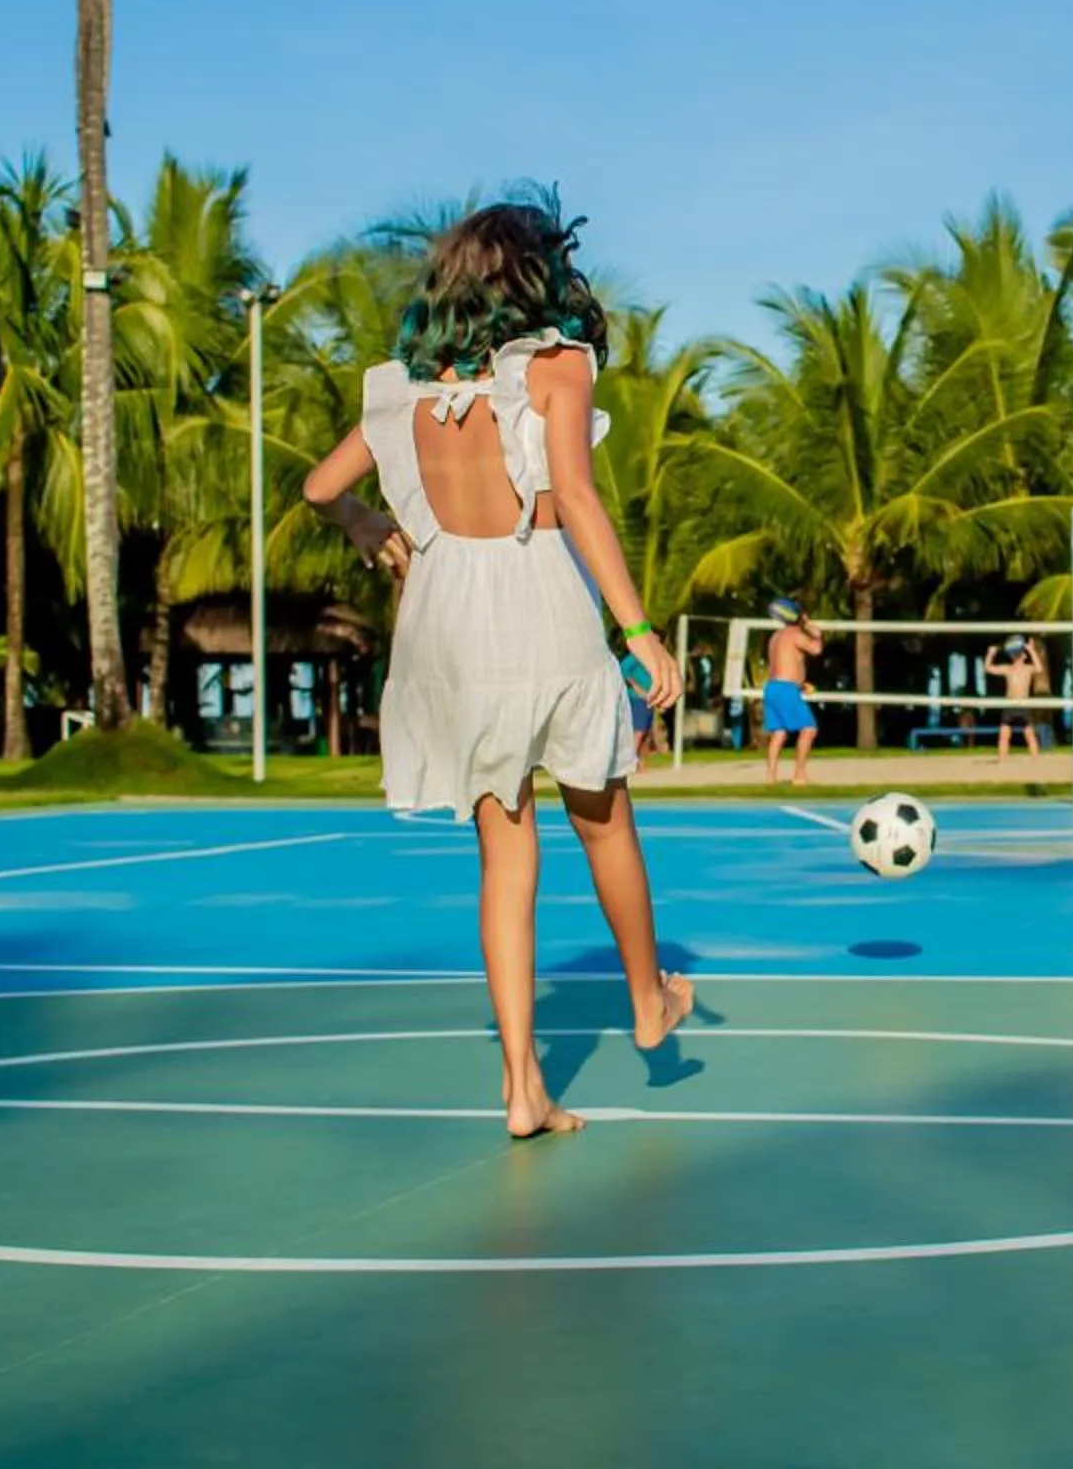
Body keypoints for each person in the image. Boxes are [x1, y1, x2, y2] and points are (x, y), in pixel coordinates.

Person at [302, 198, 690, 1139]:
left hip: (443, 617)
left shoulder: (402, 387)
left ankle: (521, 1088)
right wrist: (638, 631)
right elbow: (581, 503)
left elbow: (320, 488)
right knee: (604, 821)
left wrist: (364, 525)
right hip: (534, 600)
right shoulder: (556, 367)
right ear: (532, 275)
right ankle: (648, 999)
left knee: (503, 855)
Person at [761, 597, 823, 786]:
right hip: (785, 688)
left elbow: (782, 664)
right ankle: (799, 775)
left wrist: (800, 684)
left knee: (779, 733)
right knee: (809, 729)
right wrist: (816, 633)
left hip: (772, 687)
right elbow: (815, 649)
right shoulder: (795, 633)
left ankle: (770, 778)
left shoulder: (776, 636)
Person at [985, 635, 1046, 762]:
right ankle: (1002, 761)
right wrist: (990, 654)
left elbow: (1039, 668)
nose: (1019, 656)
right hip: (1010, 704)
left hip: (1023, 704)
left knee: (1029, 734)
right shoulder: (1008, 669)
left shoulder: (1028, 669)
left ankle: (1036, 761)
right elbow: (989, 668)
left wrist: (1031, 650)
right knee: (1004, 735)